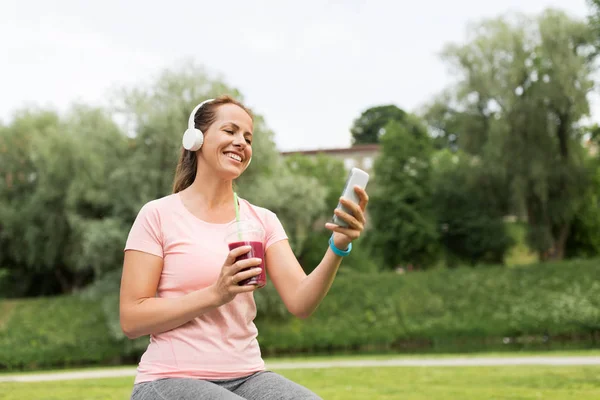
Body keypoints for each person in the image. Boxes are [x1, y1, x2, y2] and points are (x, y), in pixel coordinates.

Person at [119, 95, 369, 399]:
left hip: (247, 375)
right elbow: (131, 318)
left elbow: (301, 302)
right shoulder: (158, 215)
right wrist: (215, 294)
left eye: (248, 138)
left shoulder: (261, 221)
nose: (241, 142)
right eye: (230, 131)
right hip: (168, 378)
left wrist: (337, 247)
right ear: (195, 138)